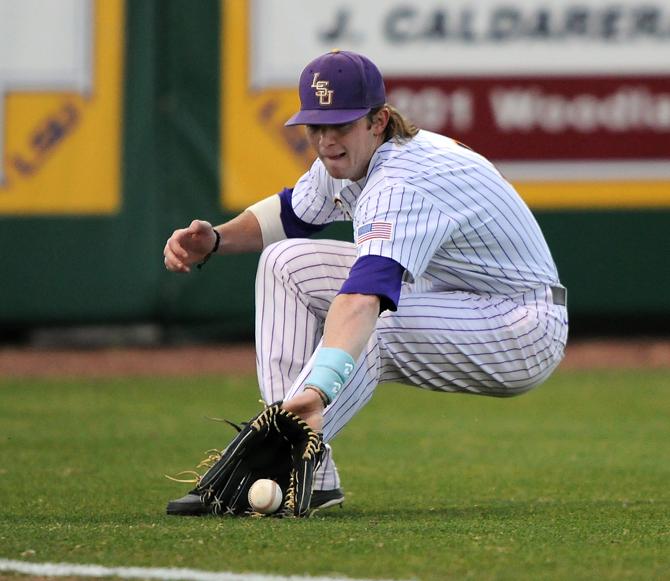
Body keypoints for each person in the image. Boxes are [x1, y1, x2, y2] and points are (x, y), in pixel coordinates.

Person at [163, 49, 568, 514]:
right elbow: (292, 213)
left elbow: (362, 301)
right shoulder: (355, 158)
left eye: (341, 125)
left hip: (520, 325)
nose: (326, 140)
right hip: (456, 297)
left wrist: (319, 389)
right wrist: (216, 239)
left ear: (378, 120)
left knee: (369, 325)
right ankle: (310, 475)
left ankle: (274, 457)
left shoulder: (401, 182)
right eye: (316, 126)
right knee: (284, 263)